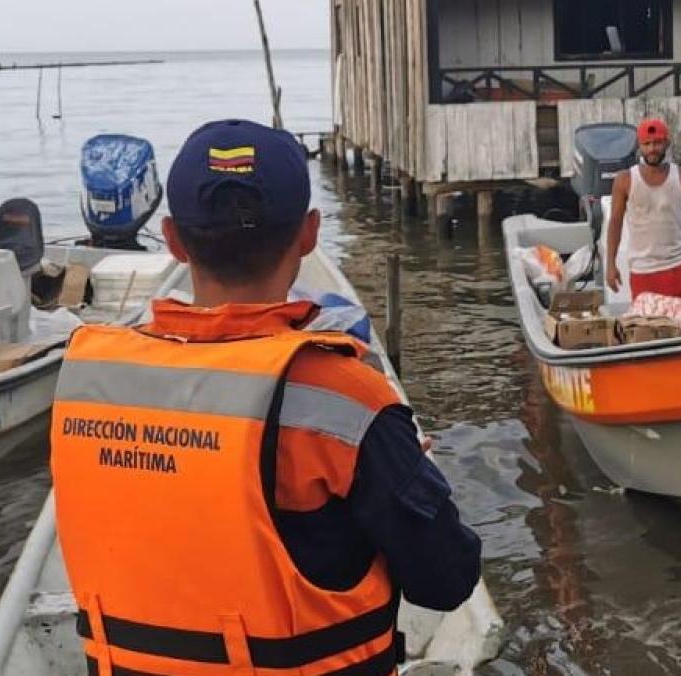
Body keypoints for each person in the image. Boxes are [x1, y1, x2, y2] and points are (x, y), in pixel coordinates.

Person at [48, 120, 482, 674]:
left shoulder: (87, 382)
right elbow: (446, 580)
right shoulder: (347, 401)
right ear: (309, 234)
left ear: (174, 240)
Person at [604, 117, 681, 304]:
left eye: (657, 143)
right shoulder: (624, 180)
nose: (652, 149)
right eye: (646, 144)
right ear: (639, 146)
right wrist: (610, 264)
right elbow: (615, 224)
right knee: (652, 328)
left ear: (667, 143)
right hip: (644, 270)